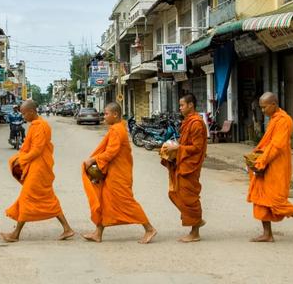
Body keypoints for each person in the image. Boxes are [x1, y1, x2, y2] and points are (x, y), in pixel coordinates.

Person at [82, 102, 157, 244]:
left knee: (127, 202)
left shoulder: (117, 130)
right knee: (104, 201)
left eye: (106, 113)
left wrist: (93, 159)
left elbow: (110, 152)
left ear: (115, 114)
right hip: (113, 173)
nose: (104, 116)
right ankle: (98, 233)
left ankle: (149, 228)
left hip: (119, 174)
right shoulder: (116, 128)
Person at [1, 100, 74, 242]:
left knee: (26, 197)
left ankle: (15, 234)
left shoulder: (40, 126)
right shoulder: (34, 125)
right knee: (47, 198)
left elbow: (37, 150)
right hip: (36, 166)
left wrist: (21, 160)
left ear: (31, 112)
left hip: (39, 168)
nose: (23, 117)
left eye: (24, 114)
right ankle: (67, 229)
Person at [247, 92, 293, 243]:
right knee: (260, 197)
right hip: (266, 163)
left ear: (274, 104)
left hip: (277, 164)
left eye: (264, 107)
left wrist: (261, 161)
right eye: (261, 108)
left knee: (277, 200)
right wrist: (256, 156)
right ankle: (267, 234)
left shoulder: (284, 120)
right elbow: (267, 144)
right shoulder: (273, 119)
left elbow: (276, 146)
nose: (262, 111)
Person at [160, 94, 208, 242]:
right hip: (183, 163)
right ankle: (196, 221)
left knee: (189, 198)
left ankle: (195, 232)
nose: (180, 108)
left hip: (190, 165)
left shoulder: (196, 123)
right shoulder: (187, 122)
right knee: (175, 193)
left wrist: (179, 148)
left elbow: (197, 147)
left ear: (191, 105)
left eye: (182, 105)